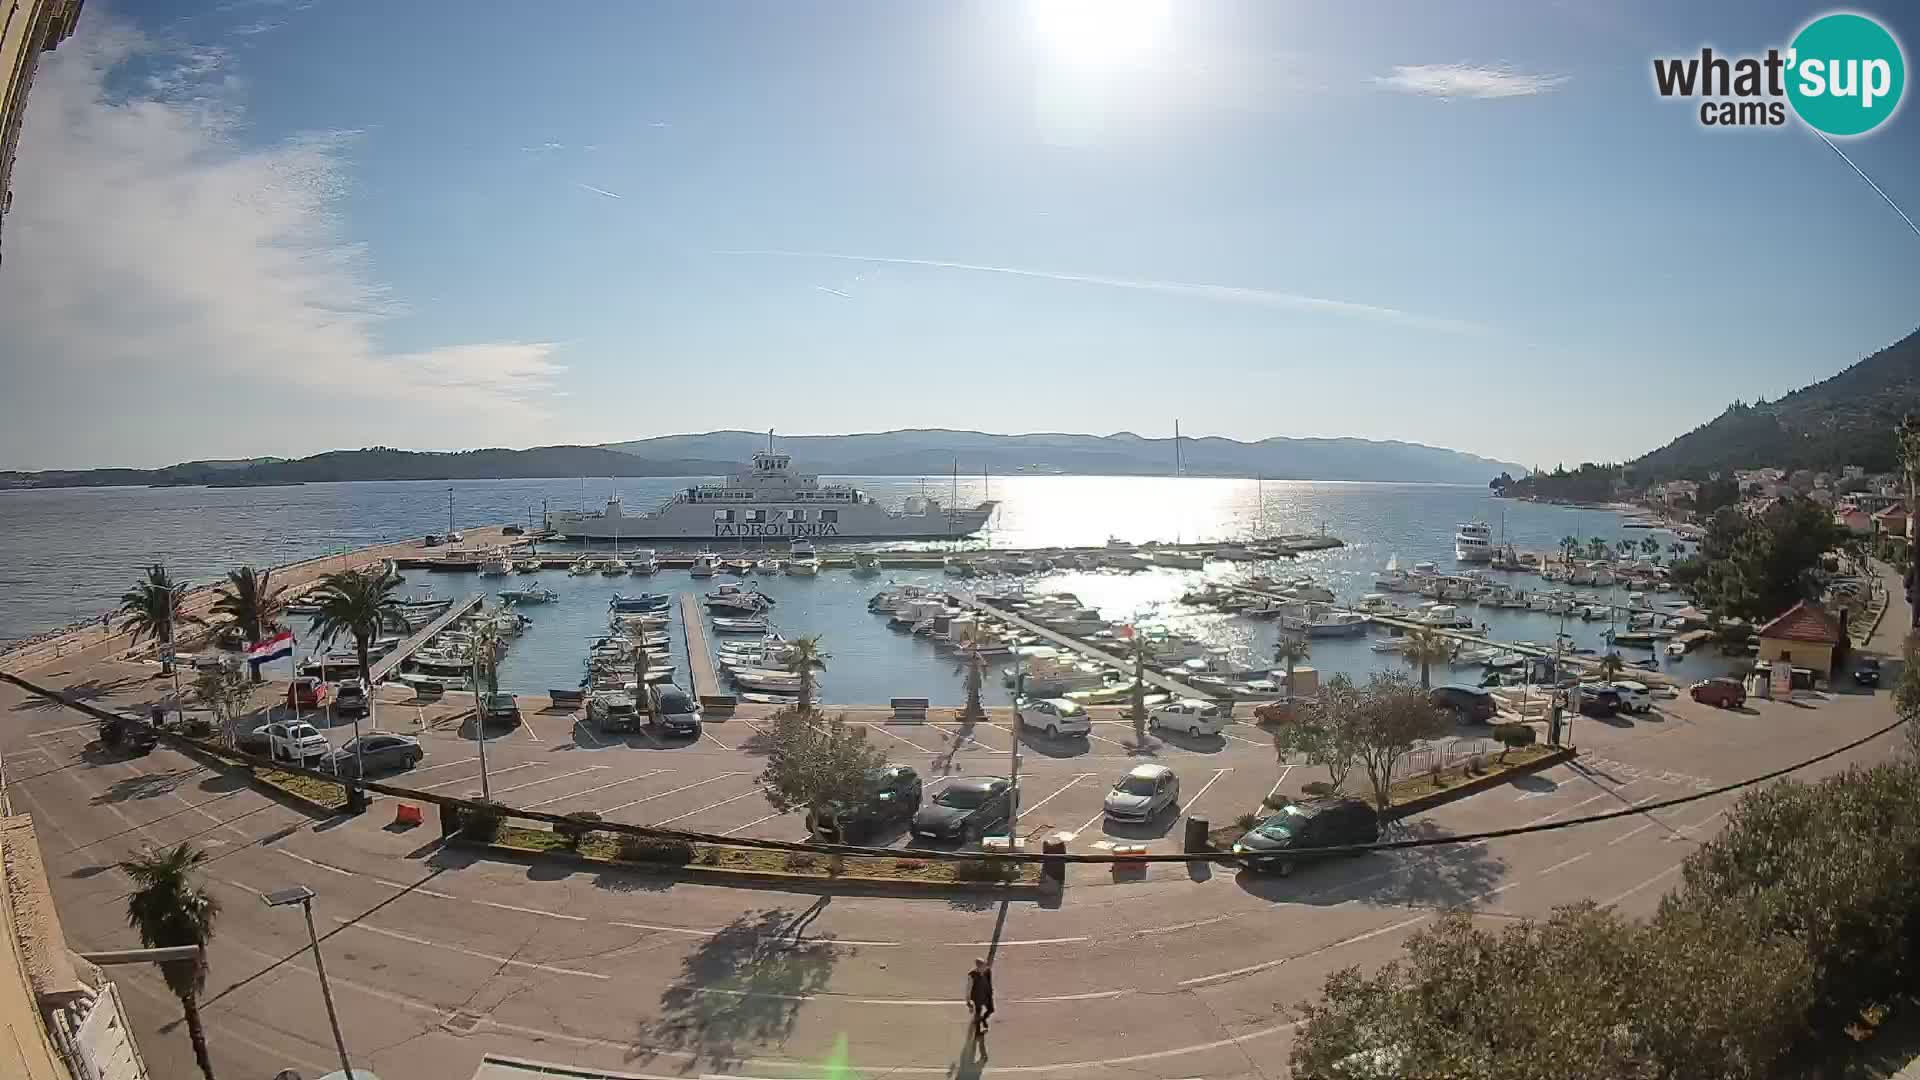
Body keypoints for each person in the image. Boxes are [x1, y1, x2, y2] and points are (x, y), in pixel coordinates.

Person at [966, 957, 994, 1030]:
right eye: (984, 966)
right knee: (978, 1013)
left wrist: (990, 991)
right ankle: (978, 1029)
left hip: (987, 995)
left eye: (985, 965)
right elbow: (968, 989)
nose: (986, 967)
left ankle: (983, 1019)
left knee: (991, 1009)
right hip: (977, 997)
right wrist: (968, 1002)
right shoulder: (972, 975)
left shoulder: (987, 971)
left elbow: (989, 982)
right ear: (979, 966)